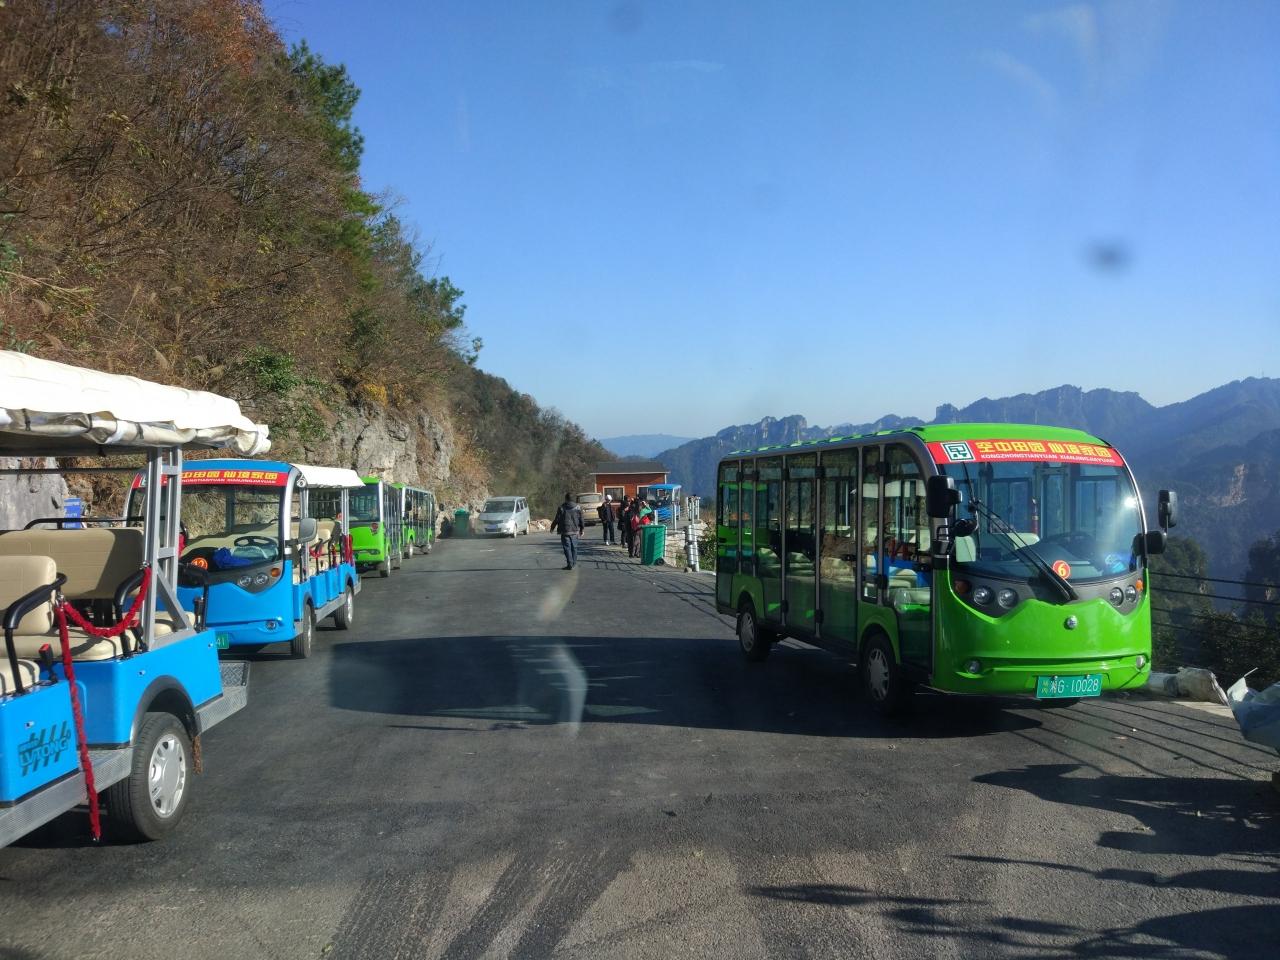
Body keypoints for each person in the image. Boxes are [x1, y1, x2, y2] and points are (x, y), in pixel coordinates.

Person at [550, 491, 584, 569]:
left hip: (565, 531)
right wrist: (582, 529)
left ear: (566, 499)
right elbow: (581, 519)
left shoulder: (561, 508)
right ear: (573, 499)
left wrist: (552, 528)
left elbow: (557, 519)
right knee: (574, 547)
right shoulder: (578, 507)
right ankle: (573, 563)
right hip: (575, 531)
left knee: (567, 548)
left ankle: (570, 564)